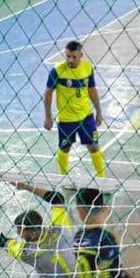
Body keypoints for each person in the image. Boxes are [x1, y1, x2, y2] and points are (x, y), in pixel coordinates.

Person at [44, 40, 107, 178]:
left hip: (86, 117)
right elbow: (48, 93)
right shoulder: (57, 71)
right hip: (66, 119)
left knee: (94, 147)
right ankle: (64, 178)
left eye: (74, 57)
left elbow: (92, 90)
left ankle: (102, 179)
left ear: (81, 55)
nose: (70, 60)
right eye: (67, 56)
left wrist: (99, 112)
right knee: (65, 148)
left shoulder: (88, 68)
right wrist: (48, 117)